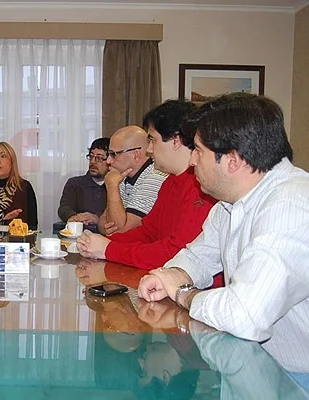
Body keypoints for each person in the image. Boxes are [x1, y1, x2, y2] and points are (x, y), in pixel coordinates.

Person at [138, 93, 309, 375]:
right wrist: (172, 274)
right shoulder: (231, 202)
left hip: (295, 379)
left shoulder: (290, 206)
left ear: (232, 160)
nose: (192, 161)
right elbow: (199, 256)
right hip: (256, 367)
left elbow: (244, 315)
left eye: (199, 151)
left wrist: (185, 294)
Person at [77, 100, 217, 272]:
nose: (149, 150)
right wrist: (101, 243)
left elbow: (175, 253)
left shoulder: (202, 187)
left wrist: (108, 249)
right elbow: (149, 233)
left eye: (152, 140)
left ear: (175, 141)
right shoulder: (170, 182)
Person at [97, 126, 167, 235]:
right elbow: (103, 222)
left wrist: (112, 186)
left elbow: (122, 231)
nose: (109, 161)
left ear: (136, 155)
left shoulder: (155, 176)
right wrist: (105, 225)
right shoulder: (122, 176)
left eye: (113, 154)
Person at [57, 137, 109, 227]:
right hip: (78, 234)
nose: (93, 162)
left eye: (99, 158)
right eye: (91, 156)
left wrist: (98, 219)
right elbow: (64, 208)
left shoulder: (118, 186)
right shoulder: (75, 183)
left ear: (111, 160)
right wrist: (74, 217)